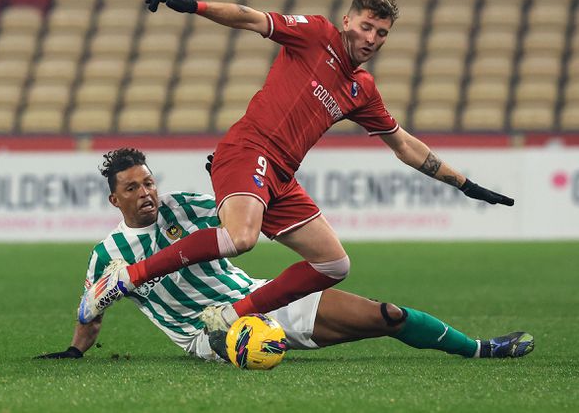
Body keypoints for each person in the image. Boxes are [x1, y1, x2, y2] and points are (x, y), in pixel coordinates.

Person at [79, 0, 514, 336]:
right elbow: (252, 18)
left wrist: (463, 183)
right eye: (366, 27)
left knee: (334, 264)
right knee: (242, 237)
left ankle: (231, 315)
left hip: (281, 177)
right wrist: (195, 6)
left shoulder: (362, 89)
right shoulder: (317, 34)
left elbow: (402, 144)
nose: (371, 39)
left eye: (382, 33)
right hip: (250, 148)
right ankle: (128, 277)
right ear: (348, 21)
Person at [44, 149, 532, 363]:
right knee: (245, 346)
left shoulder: (185, 206)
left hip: (258, 298)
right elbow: (93, 312)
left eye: (149, 182)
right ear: (115, 199)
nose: (146, 192)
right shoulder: (108, 254)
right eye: (133, 188)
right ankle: (232, 347)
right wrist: (75, 350)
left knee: (387, 315)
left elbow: (242, 212)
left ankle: (480, 348)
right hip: (204, 334)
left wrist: (233, 181)